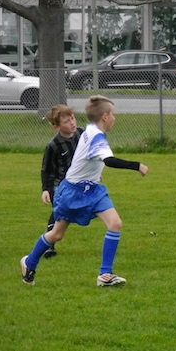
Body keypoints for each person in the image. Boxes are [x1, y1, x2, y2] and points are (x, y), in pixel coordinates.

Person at [21, 96, 149, 287]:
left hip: (93, 189)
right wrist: (137, 165)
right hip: (72, 192)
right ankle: (29, 262)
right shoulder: (95, 136)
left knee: (115, 223)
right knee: (56, 235)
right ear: (105, 116)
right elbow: (109, 160)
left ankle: (105, 275)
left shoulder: (89, 130)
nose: (114, 118)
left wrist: (94, 174)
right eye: (112, 114)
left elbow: (89, 158)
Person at [39, 104, 84, 259]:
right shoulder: (53, 145)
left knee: (68, 212)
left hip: (76, 182)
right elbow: (46, 169)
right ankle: (48, 245)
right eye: (66, 121)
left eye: (72, 118)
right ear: (57, 127)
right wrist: (45, 189)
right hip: (58, 183)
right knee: (59, 211)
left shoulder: (81, 134)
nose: (72, 123)